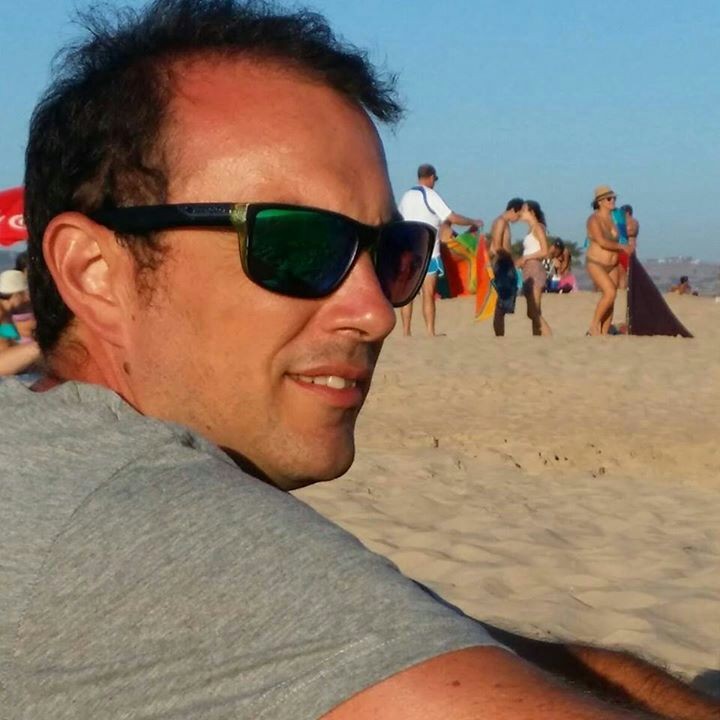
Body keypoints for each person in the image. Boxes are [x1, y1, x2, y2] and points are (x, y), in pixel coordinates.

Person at [2, 2, 718, 718]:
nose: (376, 311)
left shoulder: (44, 449)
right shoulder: (148, 527)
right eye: (298, 245)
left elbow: (438, 643)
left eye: (393, 253)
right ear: (94, 271)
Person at [397, 164, 483, 336]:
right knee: (428, 294)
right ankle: (430, 332)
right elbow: (452, 217)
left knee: (408, 295)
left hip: (409, 252)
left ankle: (406, 332)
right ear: (431, 177)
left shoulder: (406, 196)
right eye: (434, 179)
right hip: (428, 253)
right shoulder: (430, 194)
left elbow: (398, 220)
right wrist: (473, 221)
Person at [585, 185, 633, 335]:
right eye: (609, 199)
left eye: (614, 198)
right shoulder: (593, 219)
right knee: (610, 292)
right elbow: (602, 242)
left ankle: (604, 331)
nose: (612, 201)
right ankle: (593, 326)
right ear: (599, 202)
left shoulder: (613, 218)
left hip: (613, 264)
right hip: (596, 263)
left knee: (612, 298)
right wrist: (622, 247)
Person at [515, 200, 552, 336]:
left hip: (535, 269)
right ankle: (537, 338)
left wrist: (526, 258)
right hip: (528, 270)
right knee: (533, 311)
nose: (521, 213)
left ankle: (548, 336)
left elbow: (544, 251)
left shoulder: (538, 227)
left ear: (532, 212)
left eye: (524, 210)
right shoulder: (532, 229)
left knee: (534, 311)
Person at [488, 197, 523, 336]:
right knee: (501, 304)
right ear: (513, 210)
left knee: (503, 304)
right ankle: (499, 336)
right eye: (518, 215)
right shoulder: (501, 222)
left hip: (504, 264)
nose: (518, 219)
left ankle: (500, 335)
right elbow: (497, 247)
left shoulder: (503, 222)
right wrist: (512, 259)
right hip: (503, 265)